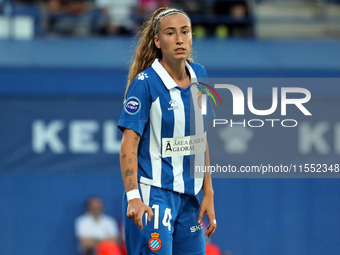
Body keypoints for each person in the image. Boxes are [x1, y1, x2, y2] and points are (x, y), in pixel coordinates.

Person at [118, 6, 216, 255]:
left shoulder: (201, 76)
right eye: (171, 33)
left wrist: (208, 192)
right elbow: (128, 146)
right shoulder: (145, 84)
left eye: (185, 32)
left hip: (190, 198)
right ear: (157, 40)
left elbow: (201, 139)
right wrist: (133, 197)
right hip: (154, 196)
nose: (180, 39)